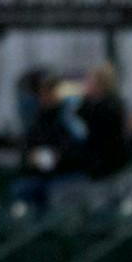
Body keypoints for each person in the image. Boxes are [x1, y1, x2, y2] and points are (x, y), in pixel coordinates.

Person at [10, 73, 84, 207]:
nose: (45, 98)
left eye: (49, 93)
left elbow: (75, 148)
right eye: (42, 93)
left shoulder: (69, 118)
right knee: (22, 188)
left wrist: (58, 156)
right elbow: (27, 146)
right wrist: (31, 156)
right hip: (40, 173)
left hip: (66, 172)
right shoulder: (38, 118)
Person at [78, 63, 129, 179]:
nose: (86, 84)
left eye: (90, 81)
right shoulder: (95, 103)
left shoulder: (110, 106)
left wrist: (84, 98)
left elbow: (92, 124)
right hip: (98, 161)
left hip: (109, 161)